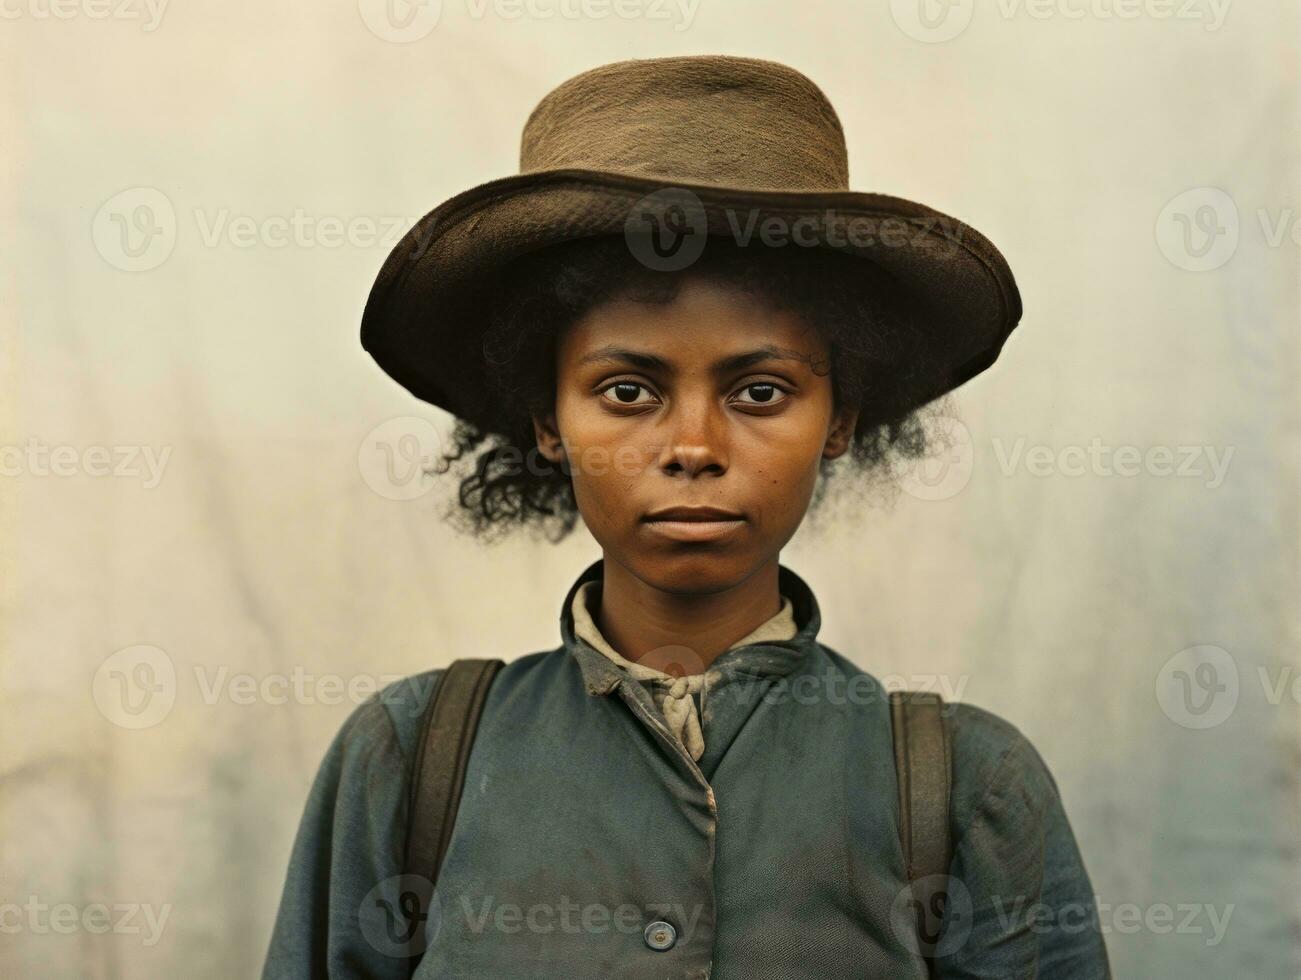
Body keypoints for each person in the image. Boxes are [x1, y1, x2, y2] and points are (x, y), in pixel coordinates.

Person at [261, 55, 1111, 979]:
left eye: (760, 390)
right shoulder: (409, 761)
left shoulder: (963, 788)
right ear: (548, 419)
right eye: (626, 390)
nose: (693, 445)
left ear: (842, 419)